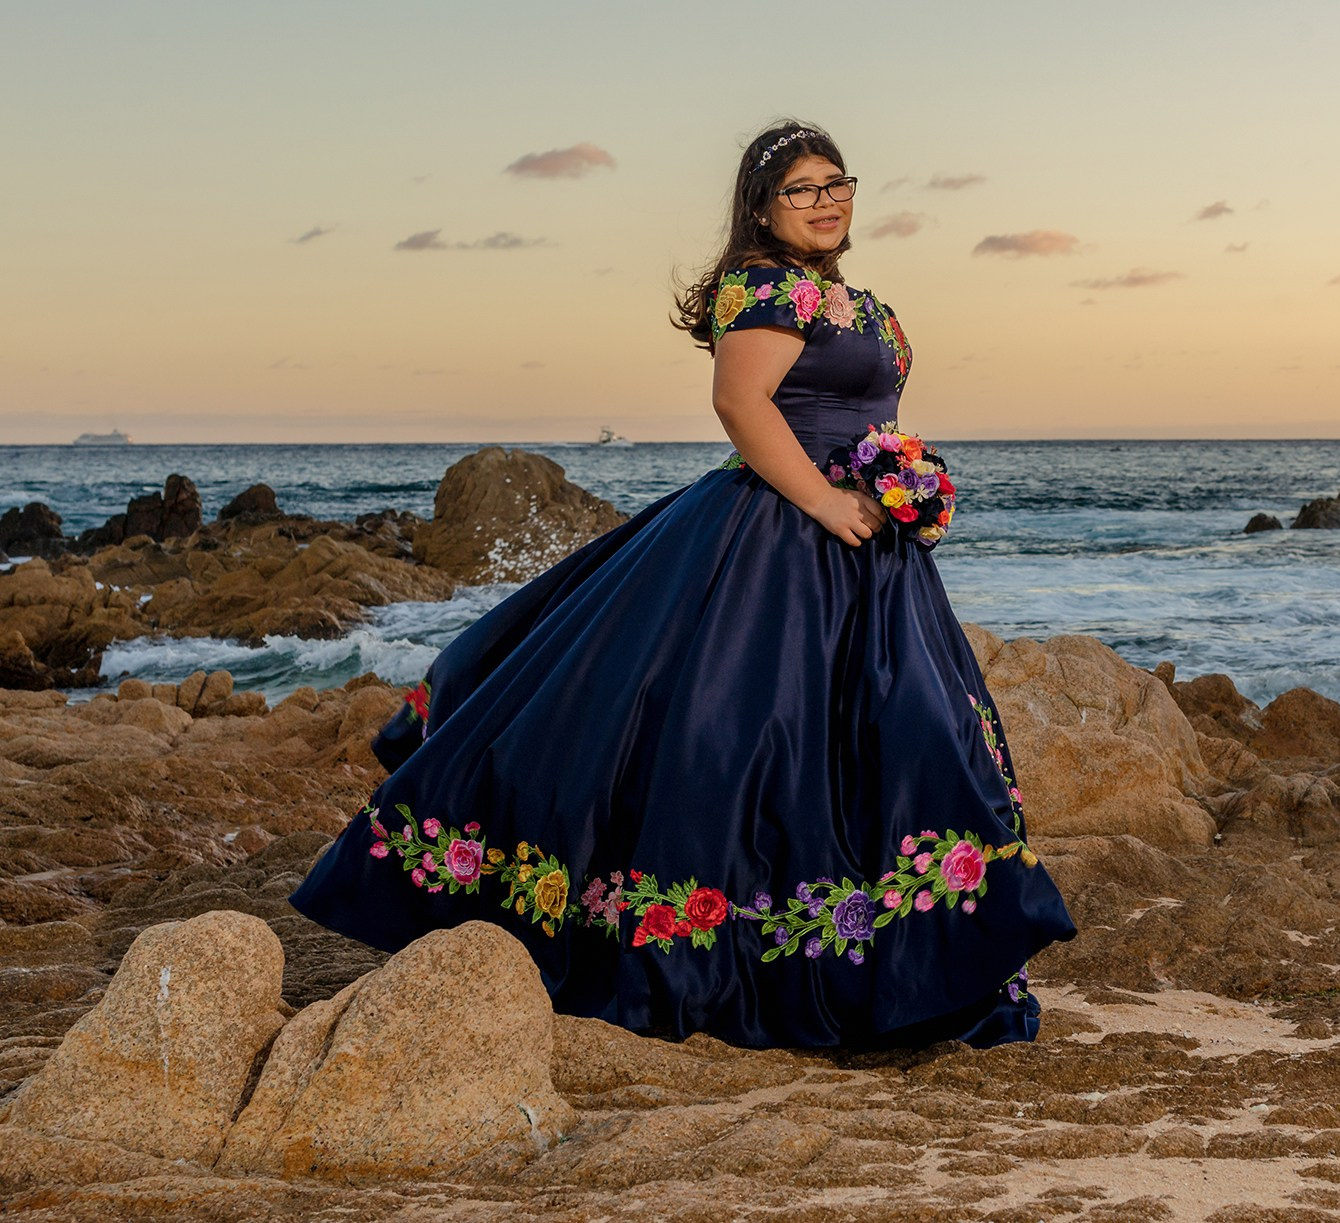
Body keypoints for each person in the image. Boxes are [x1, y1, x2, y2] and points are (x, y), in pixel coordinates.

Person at [290, 119, 1076, 1048]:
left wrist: (901, 485)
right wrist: (827, 504)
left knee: (904, 740)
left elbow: (868, 409)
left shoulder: (860, 302)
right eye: (802, 189)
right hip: (782, 540)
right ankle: (739, 970)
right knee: (743, 740)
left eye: (837, 183)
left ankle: (917, 969)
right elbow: (741, 406)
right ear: (761, 206)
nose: (826, 201)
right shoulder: (764, 287)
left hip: (873, 558)